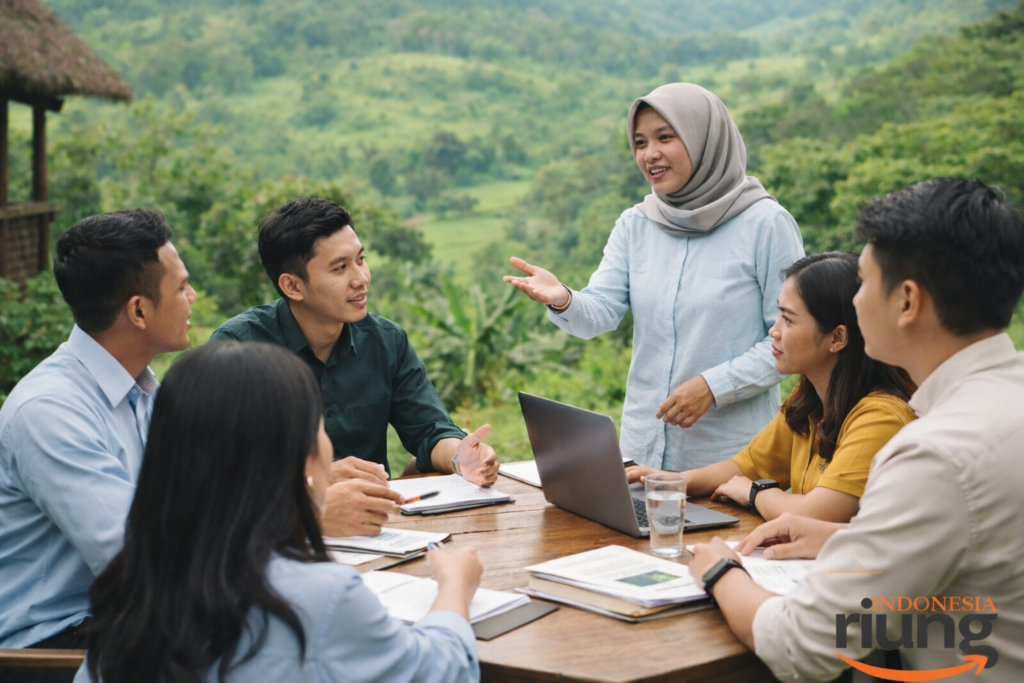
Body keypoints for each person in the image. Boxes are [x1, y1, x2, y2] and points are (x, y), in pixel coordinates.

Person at [690, 179, 1024, 680]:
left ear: (907, 301)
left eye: (865, 283)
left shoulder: (934, 453)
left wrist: (717, 570)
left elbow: (801, 644)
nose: (857, 300)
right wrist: (843, 536)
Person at [74, 342, 482, 683]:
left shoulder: (131, 587)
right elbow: (442, 671)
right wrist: (455, 584)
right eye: (319, 426)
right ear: (294, 456)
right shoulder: (319, 596)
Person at [504, 83, 805, 470]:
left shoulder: (766, 225)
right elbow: (602, 312)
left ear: (704, 139)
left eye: (665, 137)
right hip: (642, 456)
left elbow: (790, 340)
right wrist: (562, 297)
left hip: (730, 461)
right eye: (641, 142)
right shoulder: (636, 224)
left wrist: (715, 386)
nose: (650, 154)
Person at [0, 210, 196, 683]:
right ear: (139, 310)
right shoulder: (51, 411)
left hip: (120, 619)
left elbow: (199, 498)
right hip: (48, 647)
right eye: (182, 287)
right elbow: (136, 557)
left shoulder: (142, 392)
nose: (192, 298)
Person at [210, 199, 499, 502]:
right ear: (293, 286)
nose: (361, 279)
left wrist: (460, 457)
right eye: (340, 268)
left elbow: (430, 431)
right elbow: (218, 472)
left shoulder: (387, 342)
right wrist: (315, 479)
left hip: (379, 527)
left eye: (360, 260)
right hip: (277, 533)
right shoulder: (237, 351)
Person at [627, 252, 916, 522]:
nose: (773, 331)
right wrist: (671, 481)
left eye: (788, 320)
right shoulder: (810, 401)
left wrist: (755, 493)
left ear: (837, 338)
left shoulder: (880, 417)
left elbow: (815, 514)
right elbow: (745, 467)